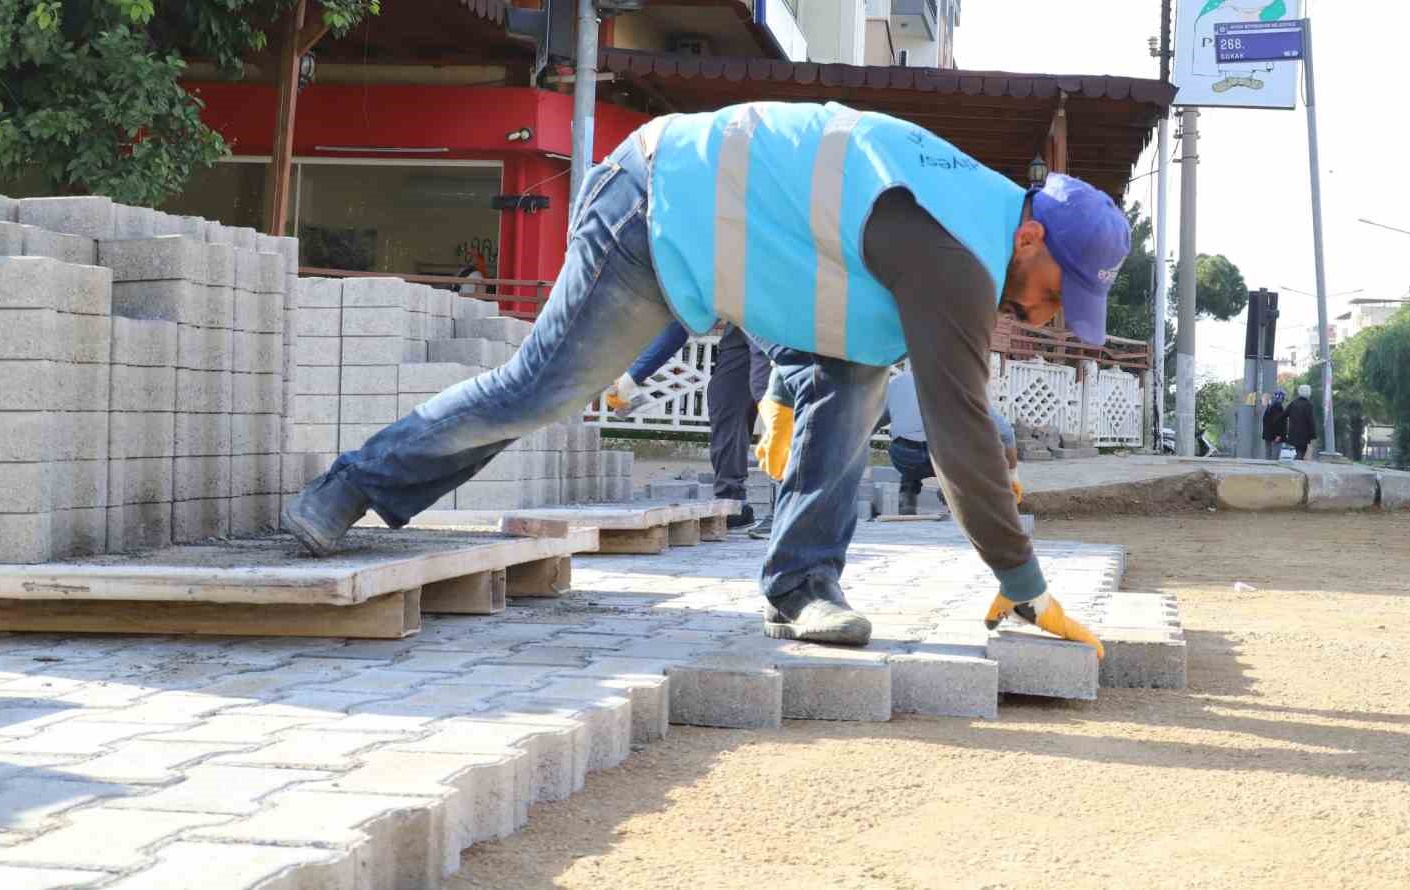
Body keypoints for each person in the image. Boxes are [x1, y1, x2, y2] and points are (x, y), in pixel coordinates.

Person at [282, 101, 1129, 657]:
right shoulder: (956, 253)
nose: (1051, 318)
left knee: (858, 378)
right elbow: (957, 431)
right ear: (1030, 241)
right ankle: (349, 485)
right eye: (1059, 294)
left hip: (709, 240)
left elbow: (819, 273)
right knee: (540, 390)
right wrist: (1022, 582)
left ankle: (802, 587)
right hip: (653, 207)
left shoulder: (958, 224)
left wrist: (781, 388)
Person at [603, 322, 770, 530]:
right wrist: (631, 379)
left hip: (774, 313)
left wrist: (634, 376)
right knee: (725, 396)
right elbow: (681, 325)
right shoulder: (710, 291)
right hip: (741, 320)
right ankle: (732, 503)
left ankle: (790, 506)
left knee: (769, 393)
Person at [878, 368, 1021, 515]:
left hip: (904, 459)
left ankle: (907, 495)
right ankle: (952, 492)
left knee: (908, 440)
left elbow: (871, 423)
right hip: (943, 459)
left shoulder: (896, 383)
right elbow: (1005, 432)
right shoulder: (958, 382)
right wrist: (1012, 474)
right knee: (975, 443)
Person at [1286, 383, 1317, 461]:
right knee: (1301, 452)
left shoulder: (1293, 403)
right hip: (1304, 434)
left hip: (1293, 432)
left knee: (1299, 451)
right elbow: (1310, 421)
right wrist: (1313, 435)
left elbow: (1284, 415)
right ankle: (1298, 463)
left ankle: (1297, 461)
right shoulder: (1308, 404)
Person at [1262, 388, 1288, 461]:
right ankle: (1272, 472)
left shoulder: (1269, 406)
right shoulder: (1278, 406)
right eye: (1283, 397)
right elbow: (1278, 421)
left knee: (1268, 457)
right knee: (1274, 459)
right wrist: (1279, 435)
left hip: (1268, 436)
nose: (1283, 399)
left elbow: (1265, 420)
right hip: (1275, 437)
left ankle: (1266, 472)